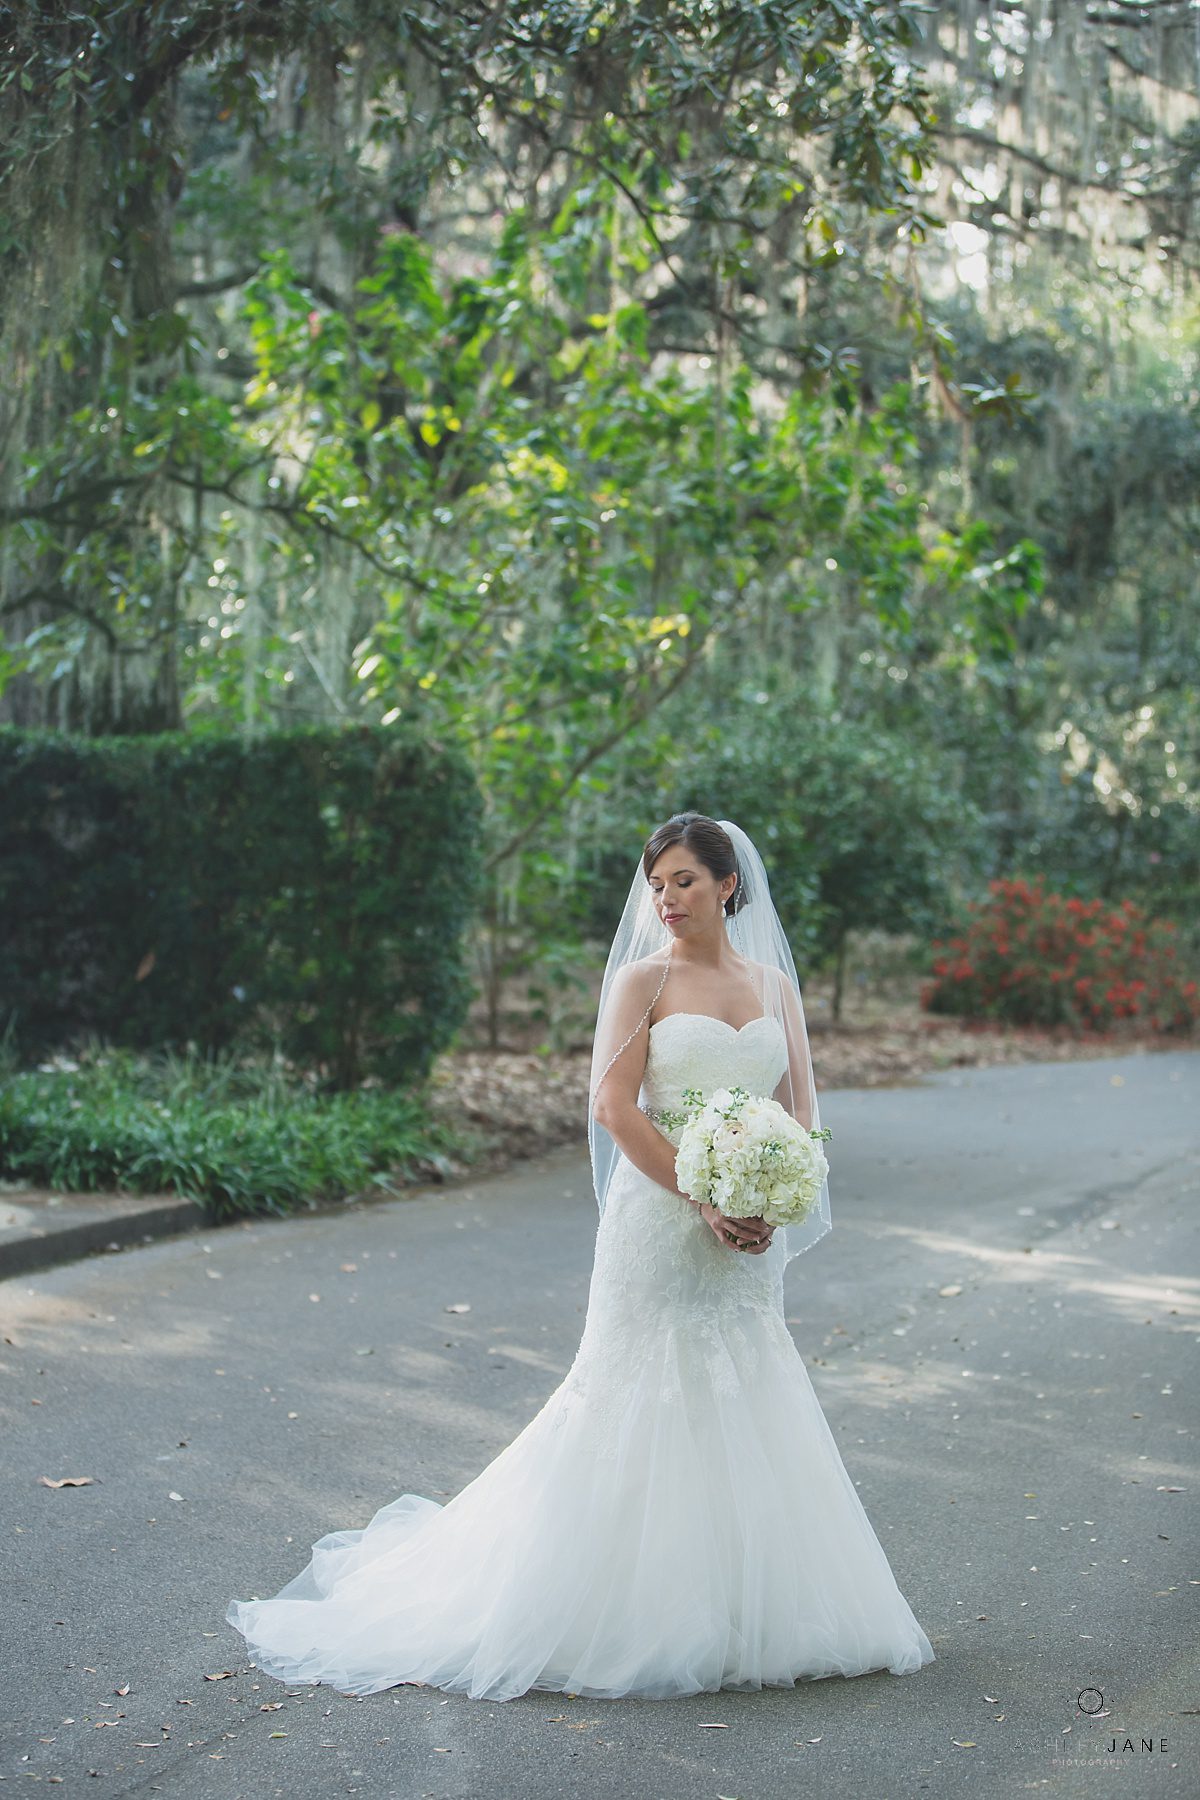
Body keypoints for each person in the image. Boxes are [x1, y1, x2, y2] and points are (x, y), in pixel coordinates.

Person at [225, 813, 935, 1700]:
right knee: (635, 1388)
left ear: (728, 886)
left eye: (684, 880)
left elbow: (797, 1110)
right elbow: (613, 1106)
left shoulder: (775, 989)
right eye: (658, 884)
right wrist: (704, 1195)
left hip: (743, 1227)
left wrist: (767, 1195)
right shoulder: (643, 981)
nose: (667, 898)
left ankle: (743, 1606)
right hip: (660, 1220)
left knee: (743, 1384)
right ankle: (614, 1609)